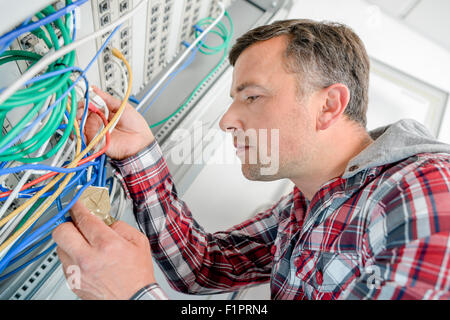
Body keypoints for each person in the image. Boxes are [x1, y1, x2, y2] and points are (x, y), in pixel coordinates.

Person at [52, 19, 450, 300]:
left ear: (329, 105)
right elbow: (204, 265)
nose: (227, 120)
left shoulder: (426, 195)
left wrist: (132, 295)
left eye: (252, 96)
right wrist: (140, 152)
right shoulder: (301, 206)